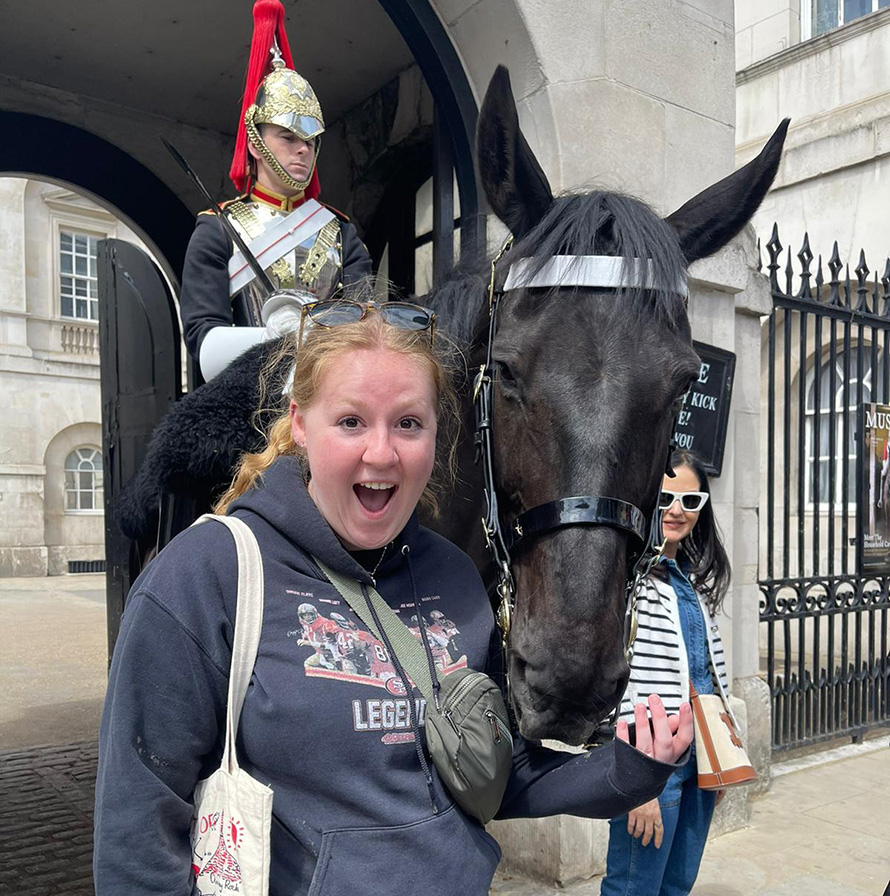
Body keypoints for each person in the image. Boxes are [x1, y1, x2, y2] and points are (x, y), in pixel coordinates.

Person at [94, 298, 694, 895]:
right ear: (300, 423)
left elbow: (492, 772)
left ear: (437, 434)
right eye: (351, 421)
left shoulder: (455, 578)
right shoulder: (208, 574)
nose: (380, 454)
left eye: (408, 423)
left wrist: (631, 768)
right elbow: (138, 829)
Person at [179, 0, 372, 379]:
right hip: (244, 398)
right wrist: (274, 337)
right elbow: (204, 343)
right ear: (254, 142)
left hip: (329, 394)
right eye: (287, 137)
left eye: (311, 141)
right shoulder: (217, 230)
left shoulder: (341, 234)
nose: (303, 149)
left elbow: (362, 330)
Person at [600, 449, 733, 896]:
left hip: (699, 762)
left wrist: (721, 757)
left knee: (676, 885)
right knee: (633, 887)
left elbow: (707, 675)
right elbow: (617, 685)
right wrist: (638, 786)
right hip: (653, 767)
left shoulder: (688, 580)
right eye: (666, 498)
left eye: (690, 502)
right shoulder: (622, 581)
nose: (677, 511)